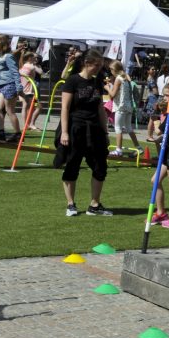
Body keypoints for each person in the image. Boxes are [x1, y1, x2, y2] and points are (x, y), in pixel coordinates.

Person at [55, 49, 112, 217]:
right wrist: (64, 132)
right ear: (87, 64)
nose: (99, 69)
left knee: (100, 166)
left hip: (94, 130)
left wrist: (105, 132)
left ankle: (94, 205)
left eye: (101, 66)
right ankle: (71, 204)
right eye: (97, 65)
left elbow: (100, 109)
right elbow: (64, 108)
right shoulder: (72, 81)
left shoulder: (97, 83)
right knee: (72, 165)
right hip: (75, 128)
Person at [105, 60, 141, 156]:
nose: (110, 72)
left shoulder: (118, 79)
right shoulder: (126, 77)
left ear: (114, 69)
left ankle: (118, 150)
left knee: (118, 128)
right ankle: (138, 147)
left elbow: (112, 94)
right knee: (129, 128)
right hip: (128, 106)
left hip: (120, 106)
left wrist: (107, 88)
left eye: (111, 70)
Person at [0, 34, 23, 143]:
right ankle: (0, 132)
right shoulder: (0, 56)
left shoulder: (8, 56)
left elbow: (15, 72)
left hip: (10, 84)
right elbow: (0, 74)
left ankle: (18, 134)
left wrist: (19, 87)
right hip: (2, 85)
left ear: (1, 44)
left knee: (10, 110)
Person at [19, 52, 42, 130]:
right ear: (29, 58)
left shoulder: (22, 66)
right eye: (34, 57)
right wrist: (35, 65)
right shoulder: (32, 67)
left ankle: (26, 124)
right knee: (38, 106)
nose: (36, 59)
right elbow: (41, 72)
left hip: (23, 89)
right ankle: (30, 124)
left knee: (26, 107)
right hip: (30, 91)